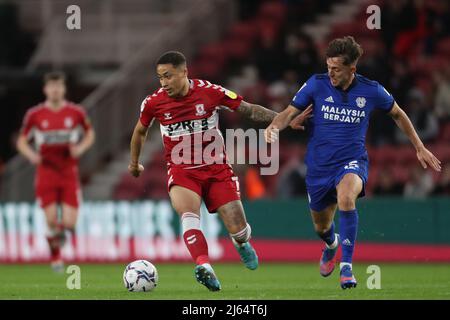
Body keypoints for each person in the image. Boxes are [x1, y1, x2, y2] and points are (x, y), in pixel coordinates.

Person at [265, 36, 441, 289]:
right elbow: (288, 113)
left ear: (352, 69)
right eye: (328, 67)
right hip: (318, 167)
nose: (331, 73)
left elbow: (398, 114)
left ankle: (346, 268)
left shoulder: (371, 90)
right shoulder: (316, 84)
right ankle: (331, 245)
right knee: (321, 227)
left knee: (347, 197)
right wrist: (274, 126)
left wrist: (419, 147)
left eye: (336, 69)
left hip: (352, 161)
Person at [128, 51, 310, 291]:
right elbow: (140, 132)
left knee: (240, 229)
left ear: (184, 72)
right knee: (189, 215)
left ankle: (242, 243)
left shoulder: (210, 92)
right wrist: (134, 163)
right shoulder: (153, 103)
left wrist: (282, 119)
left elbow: (249, 110)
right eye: (160, 77)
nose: (164, 83)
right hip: (183, 171)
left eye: (168, 76)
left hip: (217, 170)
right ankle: (205, 266)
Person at [17, 71, 95, 272]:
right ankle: (56, 258)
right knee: (51, 220)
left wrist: (80, 148)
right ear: (45, 89)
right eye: (51, 86)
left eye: (58, 86)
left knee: (69, 223)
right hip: (46, 172)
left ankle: (57, 241)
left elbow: (90, 134)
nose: (55, 90)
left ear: (64, 88)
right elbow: (22, 141)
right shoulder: (35, 115)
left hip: (69, 171)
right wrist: (31, 155)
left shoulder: (75, 112)